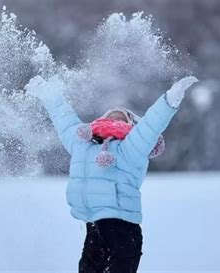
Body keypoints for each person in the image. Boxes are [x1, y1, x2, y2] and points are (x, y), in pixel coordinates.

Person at [25, 75, 198, 273]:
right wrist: (49, 95)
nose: (115, 118)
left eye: (122, 117)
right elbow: (64, 120)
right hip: (94, 228)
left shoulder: (132, 147)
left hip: (123, 231)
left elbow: (151, 125)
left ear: (132, 126)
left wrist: (169, 100)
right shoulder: (82, 144)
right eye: (111, 116)